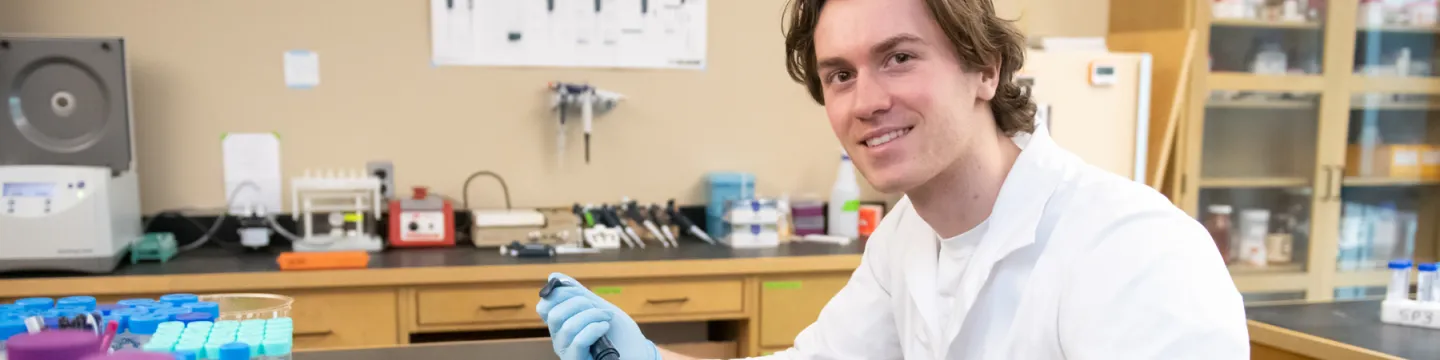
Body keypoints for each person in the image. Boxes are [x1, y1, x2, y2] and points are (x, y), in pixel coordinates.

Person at [537, 0, 1250, 358]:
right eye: (839, 75)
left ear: (986, 68)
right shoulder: (910, 237)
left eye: (899, 58)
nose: (866, 99)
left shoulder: (1131, 248)